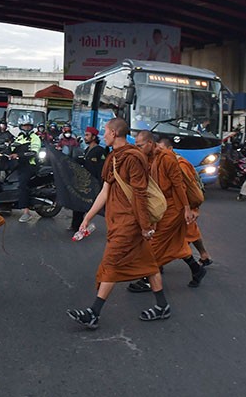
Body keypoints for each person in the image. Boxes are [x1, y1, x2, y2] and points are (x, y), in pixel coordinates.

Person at [66, 118, 170, 329]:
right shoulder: (114, 157)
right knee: (149, 264)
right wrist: (87, 217)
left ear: (114, 133)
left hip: (130, 222)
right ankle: (162, 306)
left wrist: (144, 226)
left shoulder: (133, 158)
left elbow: (140, 193)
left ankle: (94, 312)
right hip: (117, 220)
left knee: (111, 263)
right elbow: (105, 192)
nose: (103, 135)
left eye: (105, 131)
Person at [128, 131, 203, 292]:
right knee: (175, 244)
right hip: (159, 206)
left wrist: (187, 209)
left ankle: (147, 279)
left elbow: (179, 185)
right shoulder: (147, 158)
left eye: (140, 145)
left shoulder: (167, 158)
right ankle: (197, 269)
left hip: (173, 208)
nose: (137, 148)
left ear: (150, 143)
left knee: (154, 242)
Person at [158, 138, 212, 266]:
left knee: (179, 237)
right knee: (191, 232)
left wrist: (192, 209)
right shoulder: (166, 162)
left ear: (170, 149)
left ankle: (159, 265)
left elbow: (189, 188)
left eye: (161, 150)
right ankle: (203, 257)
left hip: (183, 206)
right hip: (173, 205)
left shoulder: (180, 165)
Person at [69, 127, 106, 233]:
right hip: (86, 182)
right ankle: (76, 225)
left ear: (94, 137)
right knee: (78, 203)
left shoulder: (99, 151)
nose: (85, 137)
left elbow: (101, 168)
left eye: (87, 135)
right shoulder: (86, 150)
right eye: (85, 135)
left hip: (95, 183)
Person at [11, 115, 41, 223]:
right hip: (18, 164)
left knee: (22, 184)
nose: (26, 128)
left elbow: (33, 152)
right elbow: (11, 147)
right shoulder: (20, 137)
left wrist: (18, 155)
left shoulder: (35, 138)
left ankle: (26, 212)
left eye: (28, 126)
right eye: (24, 126)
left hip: (29, 165)